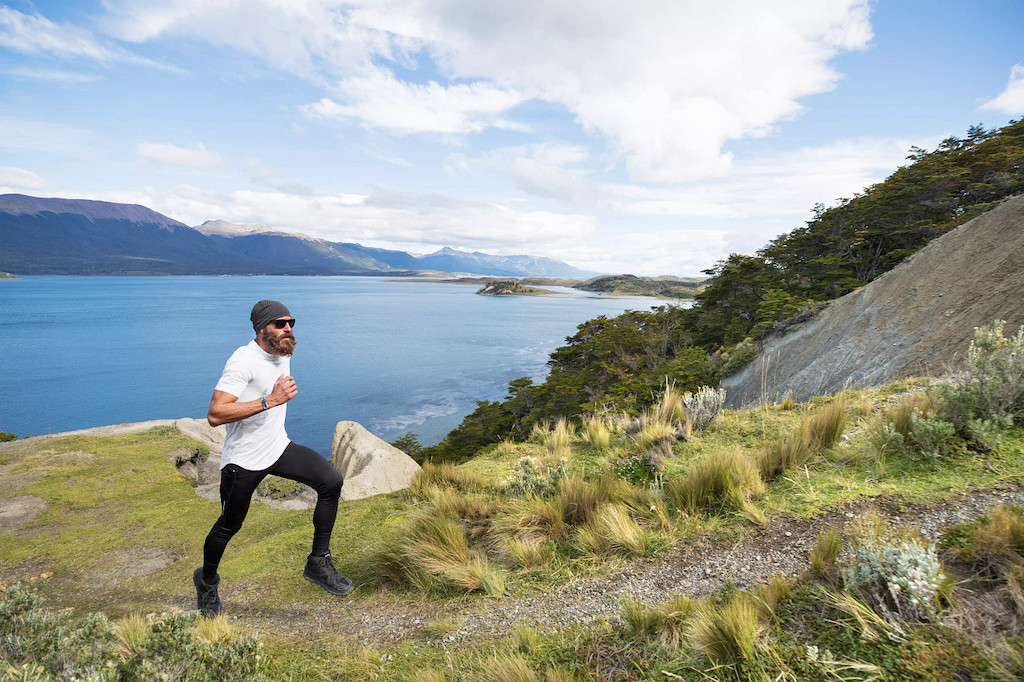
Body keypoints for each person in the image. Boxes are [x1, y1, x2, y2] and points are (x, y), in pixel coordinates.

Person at [193, 300, 352, 617]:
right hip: (244, 461)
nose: (288, 328)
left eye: (291, 322)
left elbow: (281, 357)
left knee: (331, 482)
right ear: (261, 328)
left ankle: (318, 562)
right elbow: (214, 414)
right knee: (229, 525)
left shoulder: (283, 350)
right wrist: (270, 400)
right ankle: (206, 580)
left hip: (277, 447)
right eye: (280, 324)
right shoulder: (243, 361)